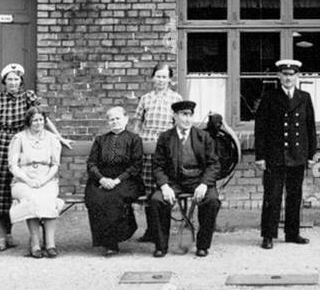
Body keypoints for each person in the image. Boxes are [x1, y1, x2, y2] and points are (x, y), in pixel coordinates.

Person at [0, 62, 71, 251]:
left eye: (16, 79)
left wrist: (58, 136)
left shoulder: (28, 96)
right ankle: (4, 236)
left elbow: (43, 117)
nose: (13, 82)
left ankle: (35, 239)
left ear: (21, 81)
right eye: (9, 79)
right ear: (4, 81)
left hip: (23, 143)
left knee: (28, 189)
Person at [255, 58, 319, 249]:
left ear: (297, 76)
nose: (288, 78)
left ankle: (292, 233)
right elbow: (261, 129)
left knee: (294, 196)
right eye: (284, 74)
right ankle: (268, 235)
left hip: (297, 154)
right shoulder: (269, 97)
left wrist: (310, 155)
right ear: (278, 76)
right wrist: (260, 157)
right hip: (275, 155)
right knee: (272, 196)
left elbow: (310, 128)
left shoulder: (304, 97)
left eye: (292, 75)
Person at [148, 99, 220, 258]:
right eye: (183, 114)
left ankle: (203, 245)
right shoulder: (166, 137)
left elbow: (213, 164)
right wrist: (165, 186)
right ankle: (161, 246)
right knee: (156, 200)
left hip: (198, 181)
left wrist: (204, 184)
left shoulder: (203, 136)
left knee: (212, 201)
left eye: (190, 115)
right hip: (174, 182)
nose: (187, 119)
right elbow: (157, 166)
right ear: (174, 116)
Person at [132, 64, 184, 244]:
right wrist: (137, 143)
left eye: (164, 77)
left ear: (170, 79)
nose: (161, 80)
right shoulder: (146, 99)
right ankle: (151, 230)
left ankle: (163, 231)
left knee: (163, 187)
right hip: (147, 148)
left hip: (165, 148)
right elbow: (138, 122)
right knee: (148, 189)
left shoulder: (176, 98)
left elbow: (179, 125)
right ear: (152, 78)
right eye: (158, 76)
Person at [84, 106, 144, 255]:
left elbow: (136, 166)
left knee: (112, 197)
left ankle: (117, 237)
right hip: (101, 178)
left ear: (126, 119)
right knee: (96, 197)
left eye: (118, 118)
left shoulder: (134, 139)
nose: (115, 122)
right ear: (107, 122)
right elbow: (91, 164)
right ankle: (106, 242)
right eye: (111, 119)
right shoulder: (100, 140)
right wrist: (102, 179)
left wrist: (117, 180)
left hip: (127, 179)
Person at [8, 106, 64, 258]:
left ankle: (51, 243)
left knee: (48, 198)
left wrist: (43, 180)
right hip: (23, 180)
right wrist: (27, 180)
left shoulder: (52, 138)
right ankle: (35, 242)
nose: (38, 123)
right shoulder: (19, 138)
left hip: (47, 179)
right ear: (28, 122)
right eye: (34, 120)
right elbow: (13, 165)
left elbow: (55, 165)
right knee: (31, 198)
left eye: (41, 120)